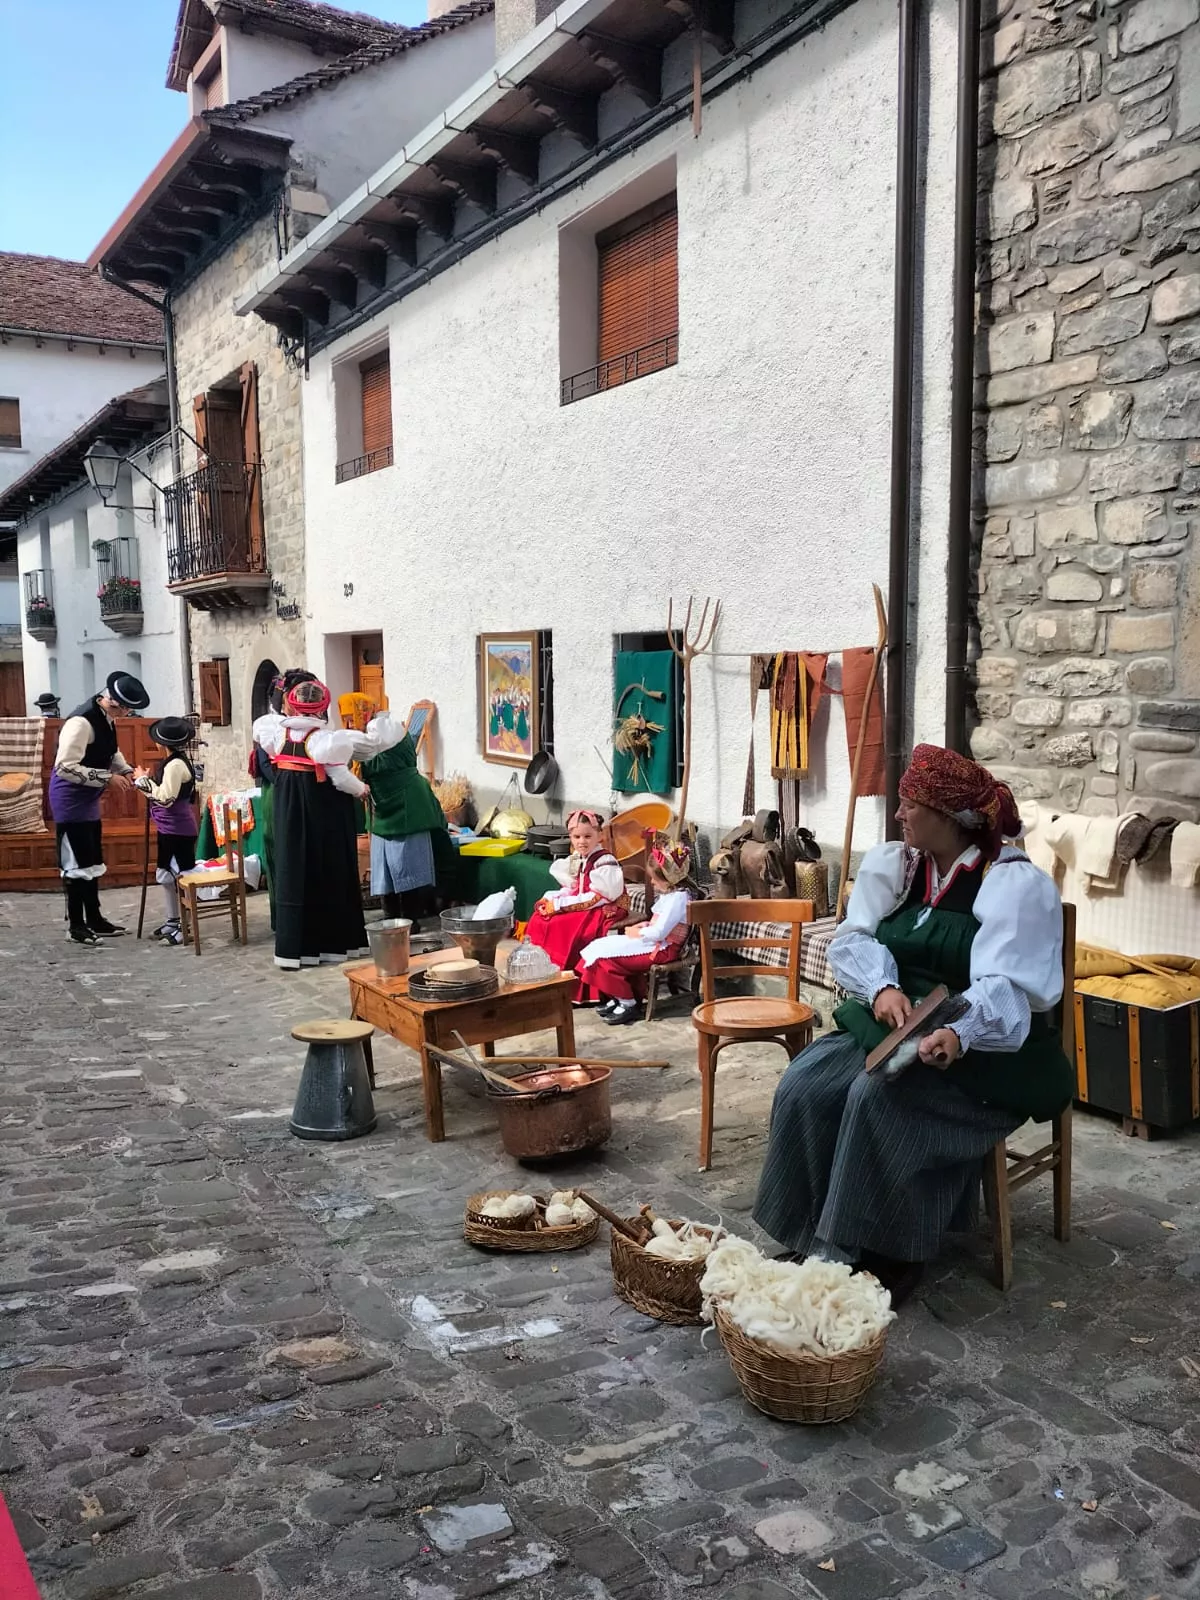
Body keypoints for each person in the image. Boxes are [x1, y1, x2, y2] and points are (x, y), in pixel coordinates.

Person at [753, 744, 1073, 1307]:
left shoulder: (1009, 883)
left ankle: (888, 1253)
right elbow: (853, 938)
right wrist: (882, 988)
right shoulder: (900, 867)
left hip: (986, 1048)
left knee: (875, 1099)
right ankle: (815, 1236)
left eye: (909, 805)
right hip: (896, 1023)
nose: (899, 816)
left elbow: (1009, 991)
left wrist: (961, 1033)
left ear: (946, 817)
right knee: (806, 1083)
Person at [251, 677, 369, 970]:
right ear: (322, 706)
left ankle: (294, 950)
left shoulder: (276, 734)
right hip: (320, 812)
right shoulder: (323, 740)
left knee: (293, 871)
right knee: (326, 872)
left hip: (287, 810)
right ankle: (331, 946)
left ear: (291, 703)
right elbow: (340, 778)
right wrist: (361, 790)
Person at [49, 670, 149, 944]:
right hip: (70, 799)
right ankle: (76, 927)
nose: (129, 715)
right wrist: (108, 778)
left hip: (89, 798)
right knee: (75, 863)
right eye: (129, 710)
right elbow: (65, 767)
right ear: (117, 703)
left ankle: (95, 918)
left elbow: (110, 751)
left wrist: (126, 770)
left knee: (91, 860)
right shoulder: (81, 723)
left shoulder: (106, 718)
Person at [576, 831, 697, 1024]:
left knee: (603, 961)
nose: (651, 882)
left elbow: (660, 932)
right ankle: (621, 997)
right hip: (656, 942)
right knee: (598, 946)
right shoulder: (673, 896)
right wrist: (646, 924)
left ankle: (628, 1001)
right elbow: (661, 924)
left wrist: (637, 932)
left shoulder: (678, 899)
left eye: (654, 879)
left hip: (663, 950)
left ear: (667, 878)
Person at [358, 708, 450, 925]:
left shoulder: (369, 756)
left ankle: (391, 919)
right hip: (412, 811)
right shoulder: (400, 750)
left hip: (382, 816)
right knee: (410, 867)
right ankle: (409, 918)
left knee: (385, 870)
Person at [524, 808, 627, 1001]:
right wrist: (553, 899)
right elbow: (574, 887)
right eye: (576, 836)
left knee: (561, 925)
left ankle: (573, 984)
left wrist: (562, 906)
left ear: (600, 835)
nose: (582, 841)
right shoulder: (578, 858)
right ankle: (545, 976)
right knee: (541, 918)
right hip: (587, 901)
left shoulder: (605, 861)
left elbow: (597, 896)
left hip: (606, 906)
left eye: (588, 836)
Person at [250, 668, 317, 931]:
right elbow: (271, 769)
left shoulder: (314, 728)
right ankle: (285, 920)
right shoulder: (270, 728)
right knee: (283, 857)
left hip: (307, 798)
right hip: (281, 797)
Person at [132, 717, 200, 946]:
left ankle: (184, 927)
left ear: (162, 743)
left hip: (178, 829)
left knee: (180, 876)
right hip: (168, 828)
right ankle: (173, 921)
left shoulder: (176, 765)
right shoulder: (173, 762)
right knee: (165, 875)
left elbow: (166, 798)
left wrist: (142, 780)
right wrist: (148, 781)